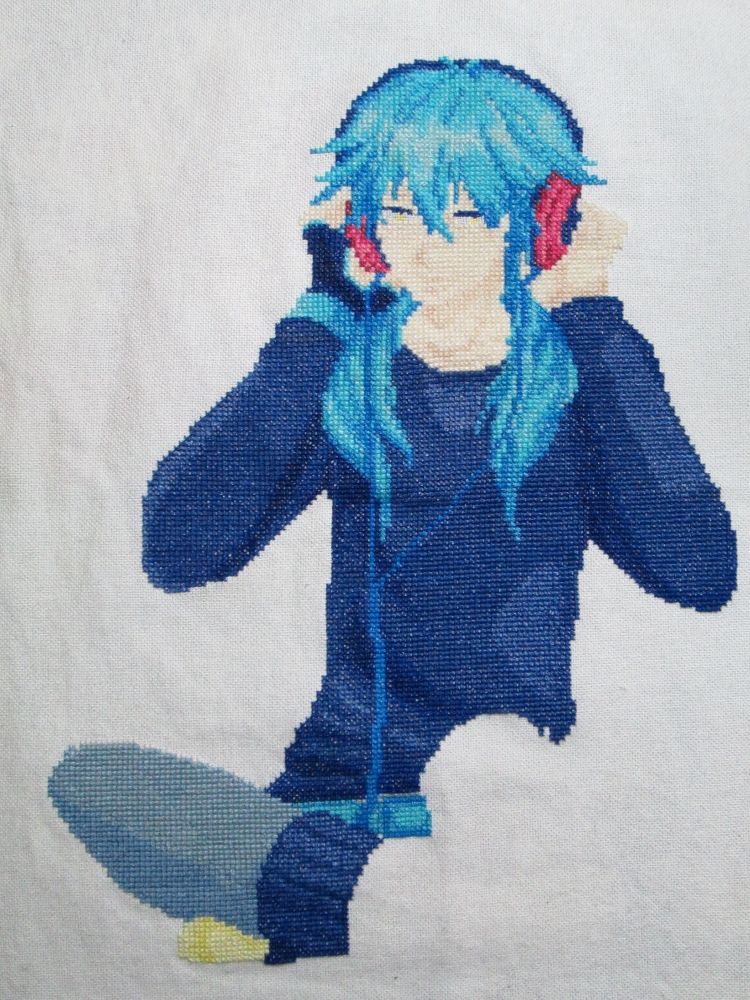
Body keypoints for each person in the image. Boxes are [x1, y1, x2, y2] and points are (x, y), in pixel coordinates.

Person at [48, 58, 736, 966]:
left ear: (544, 221)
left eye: (464, 217)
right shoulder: (349, 376)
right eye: (400, 215)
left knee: (519, 791)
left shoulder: (578, 381)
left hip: (514, 792)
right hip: (335, 792)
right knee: (90, 781)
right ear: (364, 228)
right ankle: (365, 895)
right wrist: (322, 309)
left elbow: (700, 572)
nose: (424, 248)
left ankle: (326, 901)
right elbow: (177, 548)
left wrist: (594, 316)